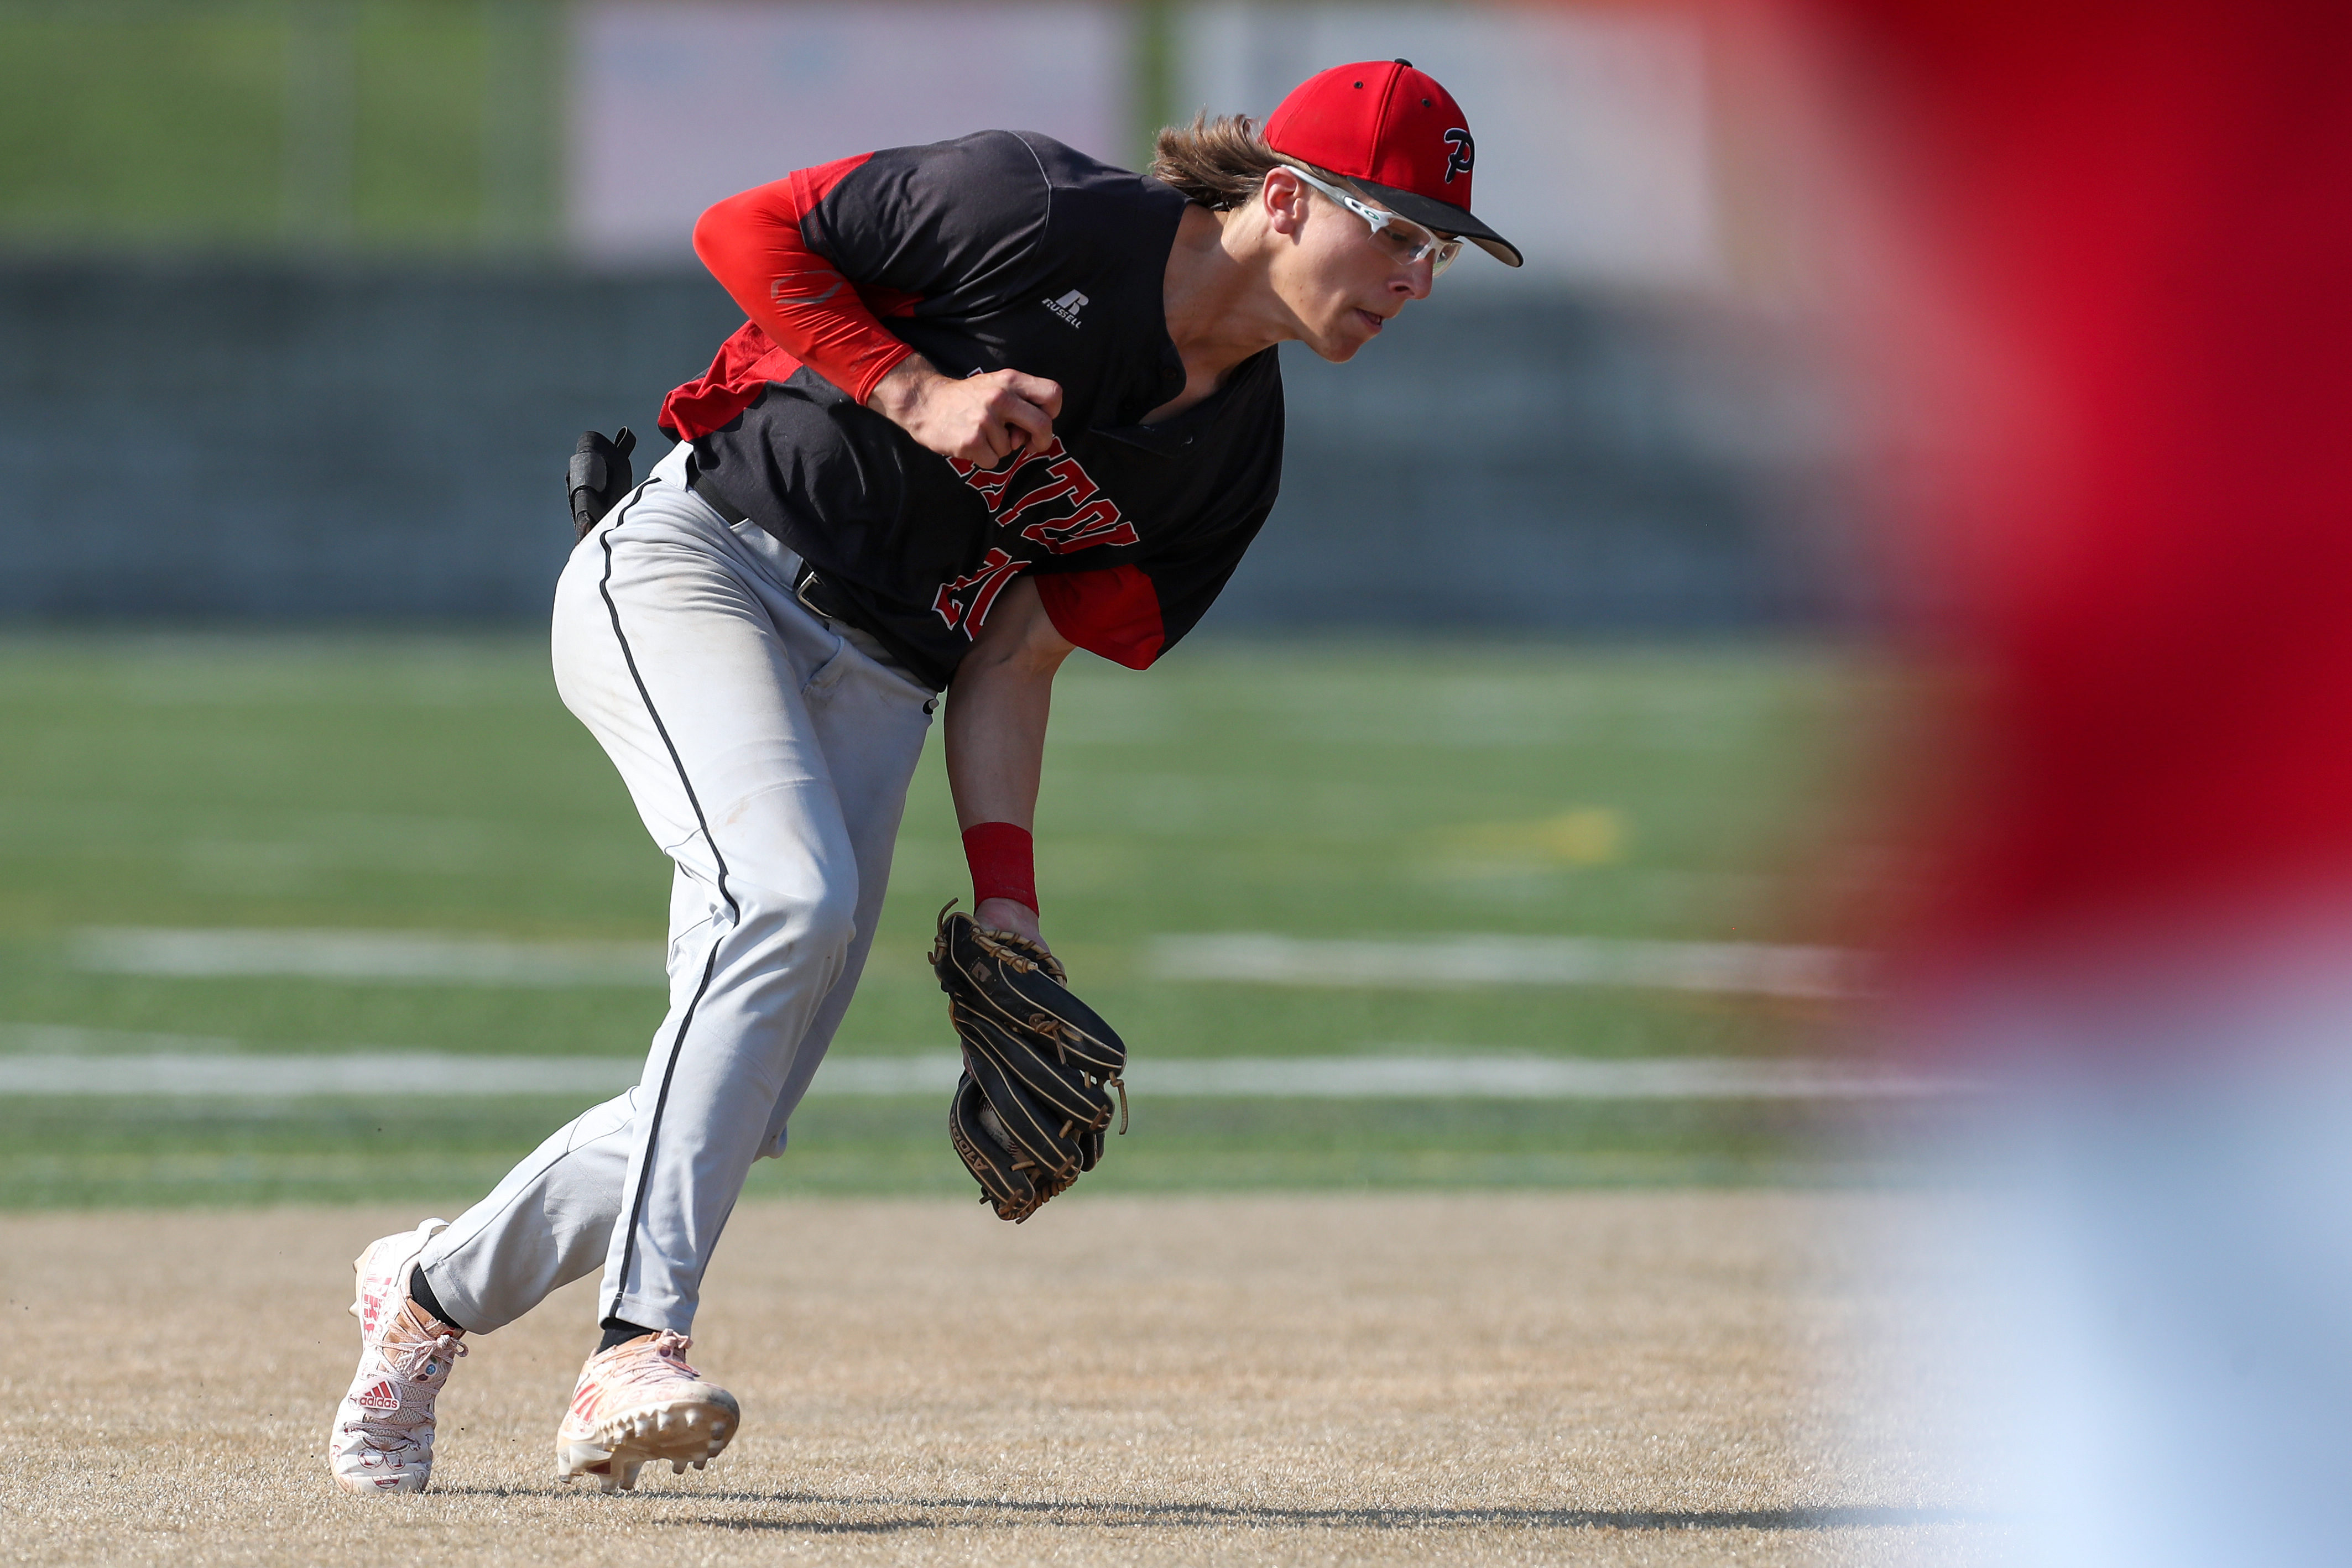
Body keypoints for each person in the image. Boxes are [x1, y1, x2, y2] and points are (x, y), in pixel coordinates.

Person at [326, 58, 1521, 1494]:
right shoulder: (1038, 208)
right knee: (790, 898)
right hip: (701, 569)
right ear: (1281, 198)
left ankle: (429, 1291)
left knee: (740, 1105)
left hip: (894, 672)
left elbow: (1015, 661)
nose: (1417, 273)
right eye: (1395, 230)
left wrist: (1008, 901)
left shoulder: (1232, 456)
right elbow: (747, 229)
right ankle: (634, 1348)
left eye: (1435, 248)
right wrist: (913, 387)